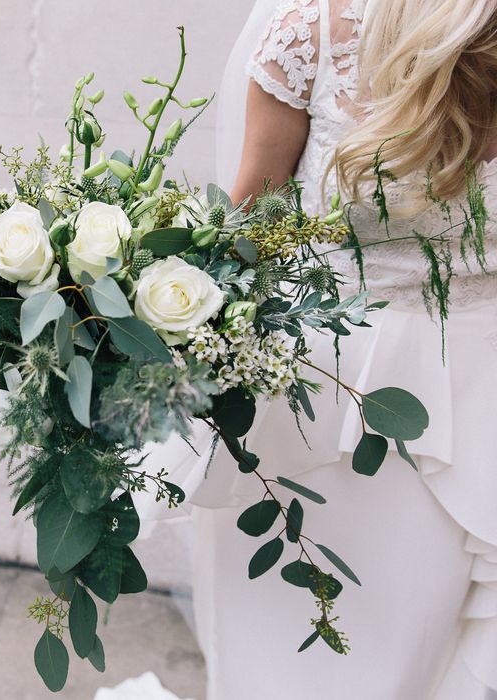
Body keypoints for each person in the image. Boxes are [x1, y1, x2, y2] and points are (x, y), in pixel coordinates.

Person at [185, 0, 497, 697]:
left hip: (478, 415)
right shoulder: (313, 35)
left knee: (406, 658)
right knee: (279, 649)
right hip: (304, 398)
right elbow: (243, 231)